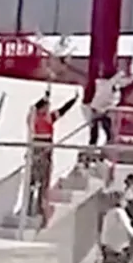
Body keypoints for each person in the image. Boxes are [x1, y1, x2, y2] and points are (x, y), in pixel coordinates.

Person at [28, 92, 79, 226]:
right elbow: (33, 107)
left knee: (44, 178)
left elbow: (63, 110)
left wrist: (73, 100)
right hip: (39, 146)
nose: (48, 109)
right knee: (35, 178)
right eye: (46, 106)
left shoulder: (48, 117)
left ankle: (40, 206)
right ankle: (30, 206)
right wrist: (45, 96)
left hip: (46, 147)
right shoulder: (35, 116)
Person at [86, 69, 133, 146]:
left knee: (108, 131)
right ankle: (92, 147)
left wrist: (132, 78)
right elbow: (111, 82)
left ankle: (107, 146)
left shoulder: (115, 91)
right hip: (96, 110)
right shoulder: (104, 84)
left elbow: (123, 83)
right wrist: (120, 74)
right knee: (94, 133)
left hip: (105, 111)